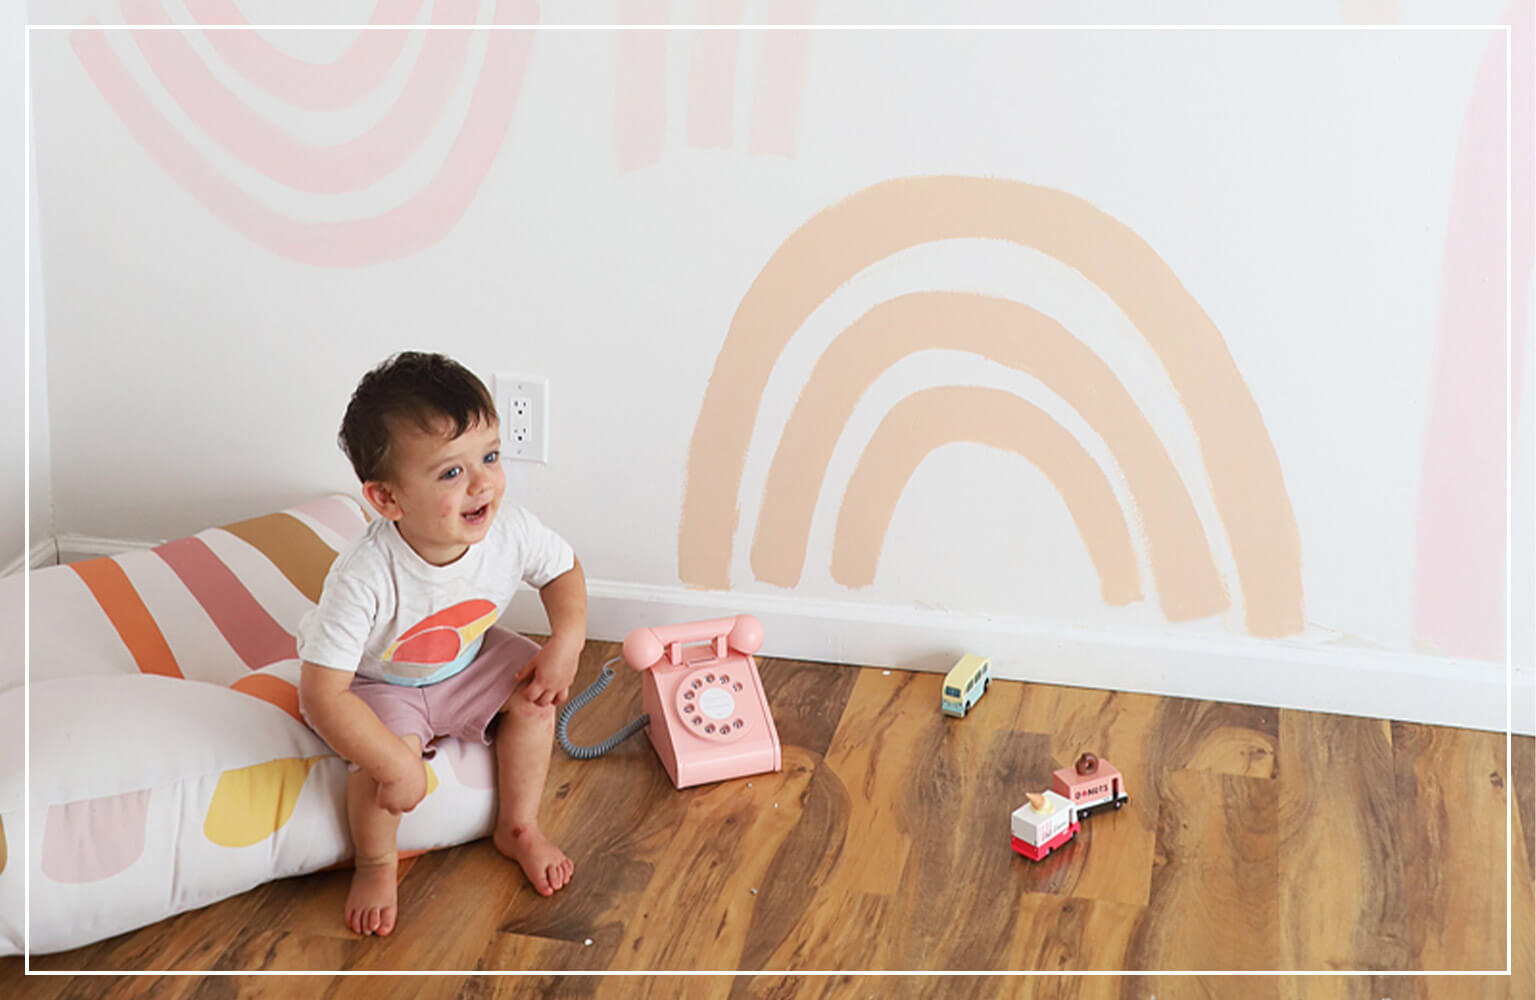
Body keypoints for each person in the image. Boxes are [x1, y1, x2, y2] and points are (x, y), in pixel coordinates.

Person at [297, 351, 586, 937]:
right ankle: (377, 864)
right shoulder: (366, 573)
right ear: (386, 499)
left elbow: (563, 570)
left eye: (490, 456)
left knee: (536, 698)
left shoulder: (510, 532)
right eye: (451, 473)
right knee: (379, 773)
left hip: (468, 659)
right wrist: (394, 763)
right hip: (384, 681)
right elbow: (322, 694)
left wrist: (568, 640)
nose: (483, 482)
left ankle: (519, 826)